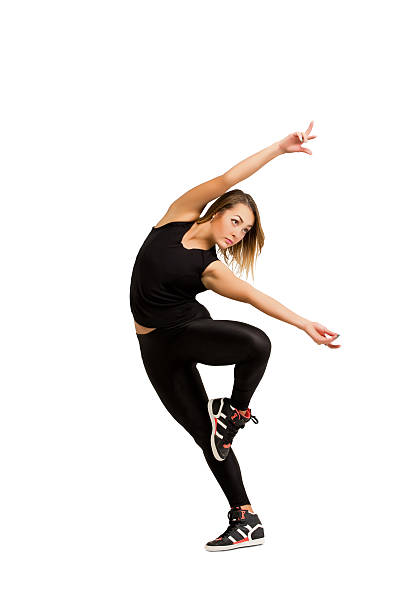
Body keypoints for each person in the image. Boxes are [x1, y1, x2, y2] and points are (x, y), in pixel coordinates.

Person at [129, 120, 341, 552]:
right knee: (205, 437)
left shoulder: (209, 268)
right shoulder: (178, 216)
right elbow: (229, 178)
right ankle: (245, 519)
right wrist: (280, 148)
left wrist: (304, 323)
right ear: (217, 211)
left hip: (185, 333)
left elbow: (253, 296)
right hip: (153, 349)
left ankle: (236, 410)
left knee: (256, 342)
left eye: (245, 231)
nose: (237, 233)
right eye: (236, 221)